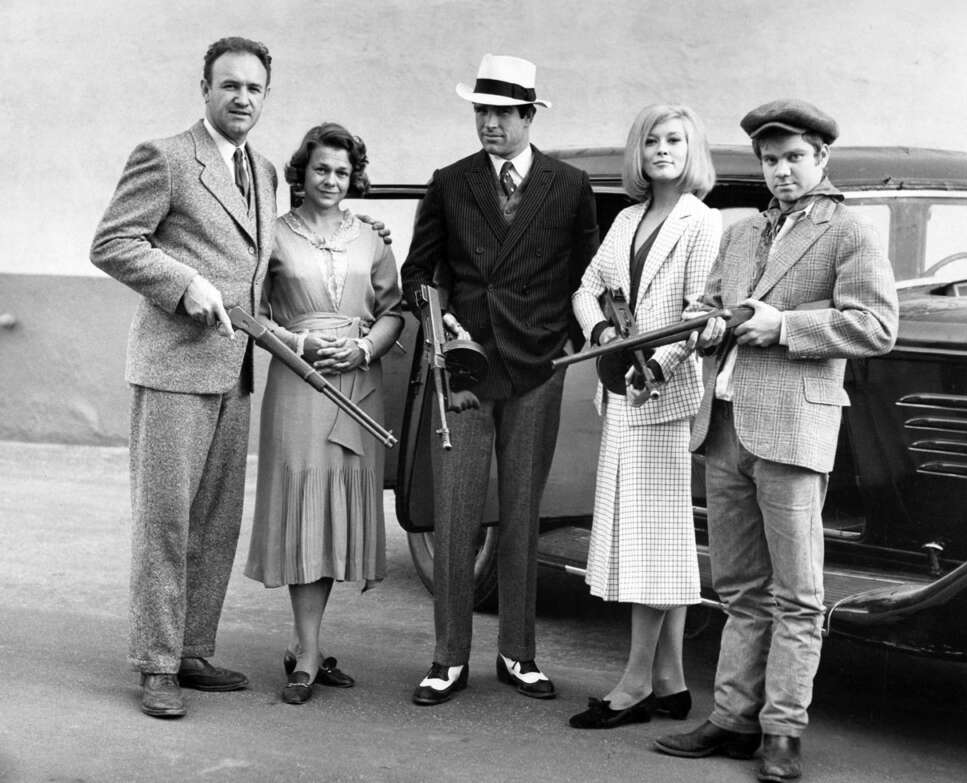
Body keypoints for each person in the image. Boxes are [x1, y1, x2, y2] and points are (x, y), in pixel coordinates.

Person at [654, 100, 898, 781]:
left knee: (798, 593)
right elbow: (706, 307)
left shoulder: (847, 232)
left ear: (822, 158)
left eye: (794, 157)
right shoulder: (740, 234)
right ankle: (732, 718)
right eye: (770, 160)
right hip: (726, 426)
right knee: (738, 588)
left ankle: (783, 729)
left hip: (793, 431)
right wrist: (704, 326)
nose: (781, 171)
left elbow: (876, 325)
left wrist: (784, 326)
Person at [401, 53, 599, 705]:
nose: (487, 123)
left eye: (500, 113)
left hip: (536, 367)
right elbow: (418, 271)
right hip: (463, 367)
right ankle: (448, 657)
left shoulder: (568, 187)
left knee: (521, 512)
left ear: (527, 116)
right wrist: (440, 326)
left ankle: (518, 653)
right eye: (480, 111)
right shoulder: (450, 182)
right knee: (456, 512)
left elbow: (587, 277)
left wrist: (565, 340)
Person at [90, 37, 277, 718]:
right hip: (174, 367)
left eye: (253, 88)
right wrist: (183, 284)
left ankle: (192, 647)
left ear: (265, 96)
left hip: (235, 371)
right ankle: (156, 664)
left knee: (215, 521)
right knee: (165, 521)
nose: (241, 99)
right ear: (204, 87)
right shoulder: (165, 157)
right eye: (229, 85)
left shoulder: (268, 171)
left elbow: (261, 262)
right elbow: (112, 242)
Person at [567, 104, 721, 729]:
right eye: (652, 140)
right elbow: (585, 288)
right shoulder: (628, 218)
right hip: (621, 393)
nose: (662, 149)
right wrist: (604, 332)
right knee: (660, 542)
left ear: (693, 150)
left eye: (675, 139)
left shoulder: (702, 223)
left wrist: (651, 365)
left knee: (653, 543)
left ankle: (632, 685)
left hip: (660, 396)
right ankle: (670, 682)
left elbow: (697, 312)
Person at [244, 123, 403, 705]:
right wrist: (301, 344)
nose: (331, 180)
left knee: (336, 510)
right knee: (306, 505)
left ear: (352, 177)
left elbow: (392, 311)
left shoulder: (372, 238)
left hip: (359, 382)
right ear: (302, 174)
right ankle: (308, 652)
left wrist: (364, 347)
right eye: (321, 170)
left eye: (341, 171)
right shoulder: (274, 237)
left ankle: (305, 643)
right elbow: (252, 313)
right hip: (300, 381)